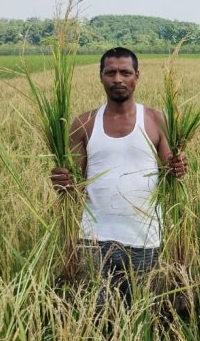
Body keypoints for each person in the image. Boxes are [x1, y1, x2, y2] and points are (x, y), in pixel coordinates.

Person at [50, 46, 186, 313]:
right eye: (110, 72)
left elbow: (171, 170)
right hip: (94, 239)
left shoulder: (156, 119)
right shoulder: (84, 123)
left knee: (143, 313)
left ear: (137, 76)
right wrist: (62, 183)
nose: (118, 79)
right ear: (100, 76)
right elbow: (74, 187)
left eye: (125, 72)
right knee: (97, 314)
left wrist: (179, 168)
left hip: (145, 237)